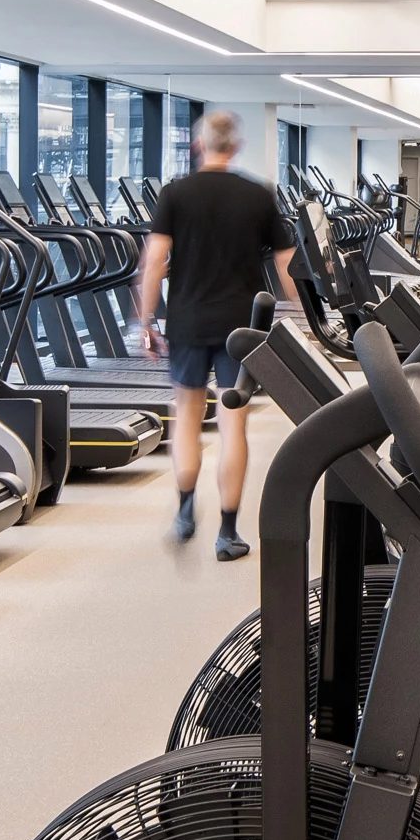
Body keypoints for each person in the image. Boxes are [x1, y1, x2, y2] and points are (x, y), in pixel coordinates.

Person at [134, 110, 299, 558]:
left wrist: (147, 321)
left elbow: (154, 261)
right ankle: (228, 531)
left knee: (186, 416)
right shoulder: (257, 195)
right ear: (237, 146)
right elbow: (287, 263)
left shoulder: (175, 194)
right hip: (242, 326)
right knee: (233, 424)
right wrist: (307, 317)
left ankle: (185, 510)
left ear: (198, 144)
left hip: (187, 321)